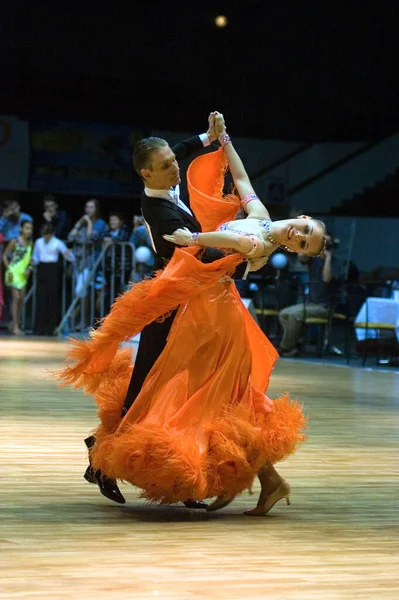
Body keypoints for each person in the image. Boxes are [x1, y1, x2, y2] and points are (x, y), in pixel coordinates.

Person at [56, 113, 307, 515]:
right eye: (167, 166)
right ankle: (102, 459)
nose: (176, 168)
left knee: (192, 393)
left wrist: (207, 138)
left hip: (201, 307)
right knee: (146, 390)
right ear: (146, 174)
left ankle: (196, 472)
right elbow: (198, 254)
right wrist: (244, 262)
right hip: (171, 306)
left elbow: (183, 153)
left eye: (174, 162)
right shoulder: (161, 213)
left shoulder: (167, 181)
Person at [277, 239, 333, 357]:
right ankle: (294, 344)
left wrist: (328, 258)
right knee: (283, 314)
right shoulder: (314, 260)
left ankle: (285, 348)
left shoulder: (333, 261)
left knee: (294, 315)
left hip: (324, 306)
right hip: (310, 304)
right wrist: (309, 241)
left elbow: (327, 279)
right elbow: (302, 256)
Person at [32, 223, 75, 336]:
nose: (46, 238)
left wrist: (68, 254)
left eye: (48, 235)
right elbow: (36, 256)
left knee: (52, 299)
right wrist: (33, 261)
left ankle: (49, 329)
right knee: (41, 298)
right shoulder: (38, 242)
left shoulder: (57, 242)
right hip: (42, 268)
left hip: (53, 270)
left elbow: (69, 257)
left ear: (52, 234)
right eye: (44, 235)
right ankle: (38, 329)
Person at [2, 220, 34, 335]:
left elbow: (30, 259)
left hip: (23, 273)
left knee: (21, 300)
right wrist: (9, 269)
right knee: (16, 298)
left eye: (30, 229)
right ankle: (15, 326)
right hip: (13, 271)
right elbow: (5, 256)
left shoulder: (30, 243)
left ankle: (14, 323)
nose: (29, 231)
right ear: (21, 229)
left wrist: (29, 268)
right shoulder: (15, 241)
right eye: (26, 228)